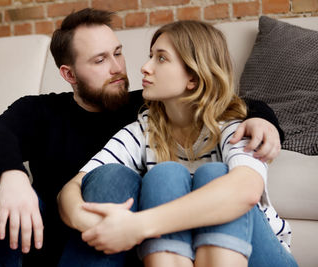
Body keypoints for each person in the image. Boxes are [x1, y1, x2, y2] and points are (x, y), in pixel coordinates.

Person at [0, 8, 284, 267]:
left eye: (118, 53)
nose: (119, 67)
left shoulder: (147, 104)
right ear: (69, 75)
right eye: (100, 60)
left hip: (122, 236)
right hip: (57, 230)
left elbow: (221, 102)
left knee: (134, 175)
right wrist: (13, 177)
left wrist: (261, 119)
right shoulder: (44, 110)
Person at [57, 20, 297, 266]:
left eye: (161, 59)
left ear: (192, 77)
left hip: (260, 257)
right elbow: (73, 186)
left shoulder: (234, 125)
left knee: (215, 174)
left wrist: (137, 226)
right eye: (150, 56)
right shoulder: (143, 130)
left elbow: (245, 191)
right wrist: (85, 218)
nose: (144, 68)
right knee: (165, 174)